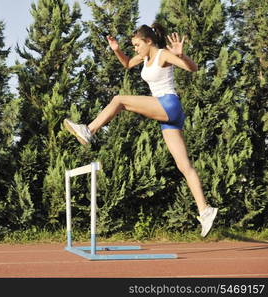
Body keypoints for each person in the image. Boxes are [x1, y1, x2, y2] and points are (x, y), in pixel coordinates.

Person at [63, 23, 218, 237]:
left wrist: (182, 56)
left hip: (168, 104)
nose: (135, 49)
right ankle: (205, 209)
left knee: (119, 100)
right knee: (184, 165)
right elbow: (127, 64)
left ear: (148, 41)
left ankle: (89, 130)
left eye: (137, 45)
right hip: (167, 115)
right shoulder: (144, 58)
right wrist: (117, 49)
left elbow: (193, 68)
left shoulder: (163, 54)